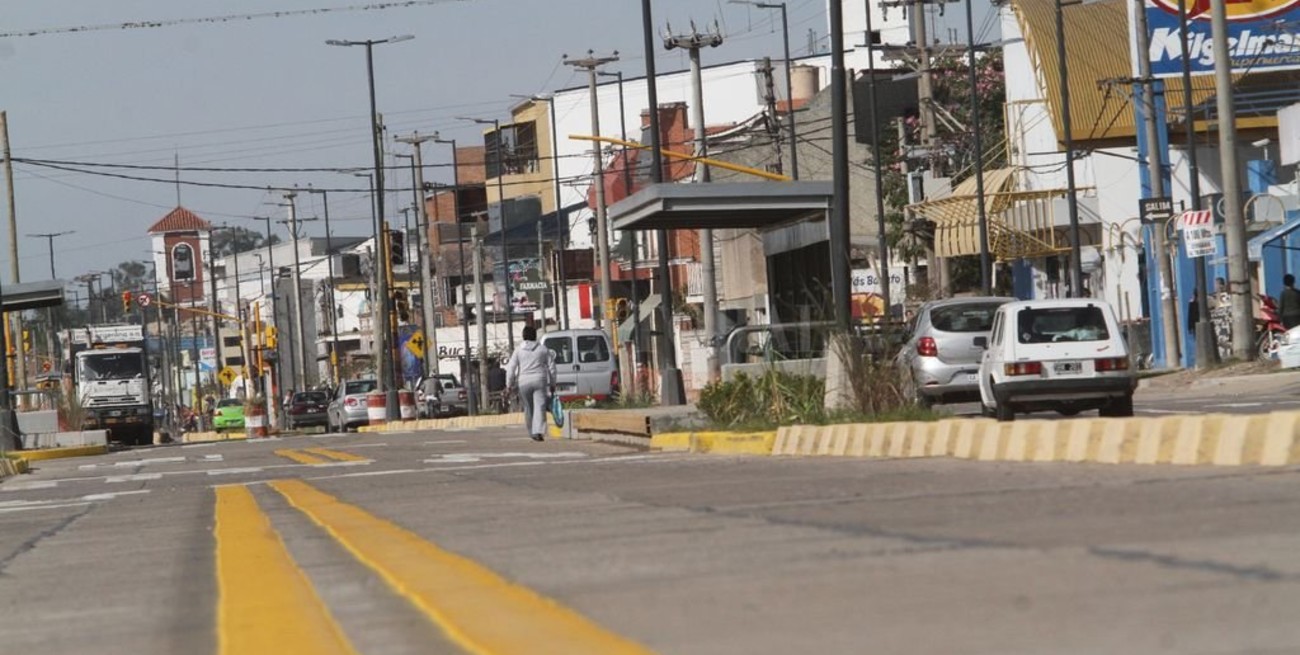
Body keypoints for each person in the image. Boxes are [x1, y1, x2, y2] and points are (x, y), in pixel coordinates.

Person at [505, 325, 556, 442]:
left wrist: (508, 385)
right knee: (540, 407)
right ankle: (538, 431)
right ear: (535, 335)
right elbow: (552, 367)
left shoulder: (518, 350)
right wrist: (553, 383)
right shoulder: (543, 349)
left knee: (528, 407)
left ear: (523, 336)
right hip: (539, 380)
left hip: (523, 382)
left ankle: (531, 431)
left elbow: (511, 368)